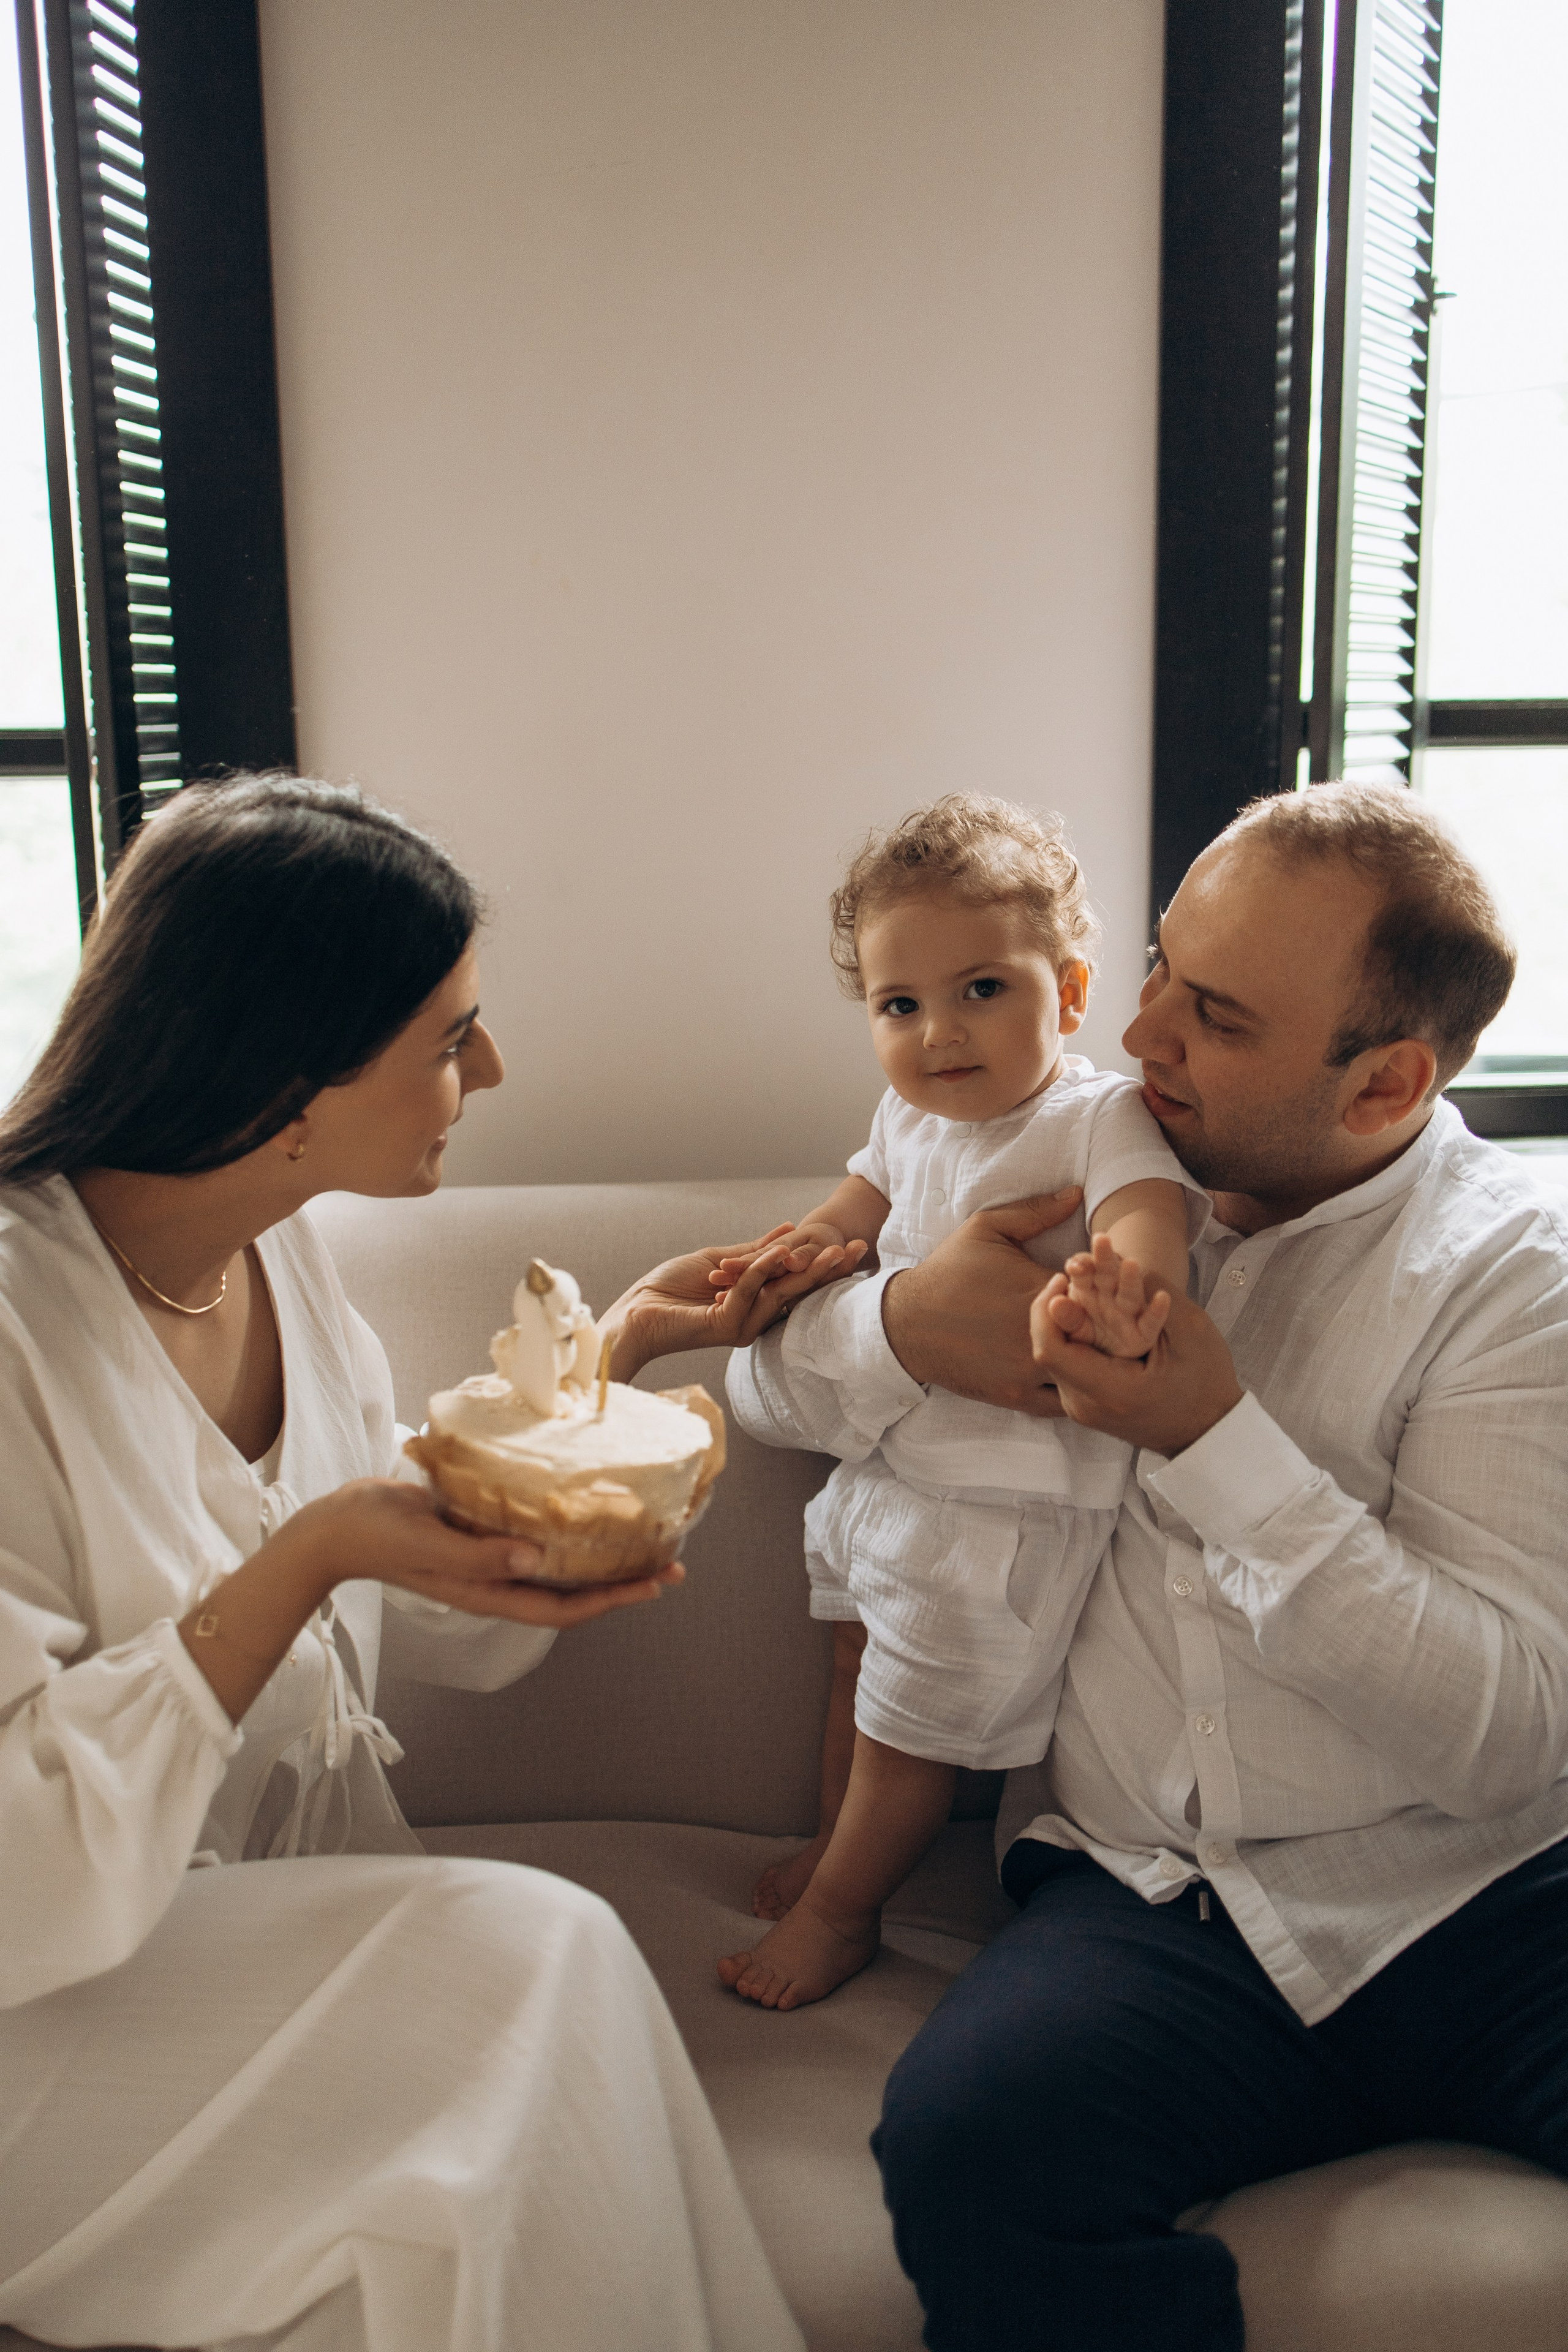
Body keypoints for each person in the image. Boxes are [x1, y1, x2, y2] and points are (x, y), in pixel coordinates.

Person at [723, 782, 1568, 2351]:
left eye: (1218, 1016)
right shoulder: (1043, 1148)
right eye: (1164, 968)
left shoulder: (1513, 1285)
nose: (1148, 1028)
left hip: (1485, 1897)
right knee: (968, 2154)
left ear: (1383, 1081)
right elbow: (758, 1390)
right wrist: (903, 1327)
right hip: (1148, 1904)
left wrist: (1211, 1440)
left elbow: (1502, 1733)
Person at [0, 777, 809, 2352]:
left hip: (238, 1946)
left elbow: (398, 1593)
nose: (489, 1069)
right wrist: (305, 1558)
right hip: (37, 2008)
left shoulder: (276, 1247)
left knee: (509, 2092)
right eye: (448, 1036)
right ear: (284, 1067)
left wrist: (602, 1377)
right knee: (536, 1948)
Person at [705, 796, 1205, 2012]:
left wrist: (1134, 1290)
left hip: (1008, 1509)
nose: (938, 1033)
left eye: (982, 988)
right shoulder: (905, 1119)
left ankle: (842, 1912)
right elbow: (847, 1216)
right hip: (890, 1470)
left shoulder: (1097, 1118)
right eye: (898, 1004)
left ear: (1071, 994)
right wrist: (786, 1261)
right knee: (852, 1664)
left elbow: (1147, 1213)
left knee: (905, 1725)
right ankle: (833, 1846)